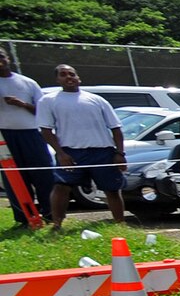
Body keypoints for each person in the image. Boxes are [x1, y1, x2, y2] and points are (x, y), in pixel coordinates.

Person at [36, 64, 127, 230]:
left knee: (112, 189)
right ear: (58, 79)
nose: (68, 77)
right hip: (71, 153)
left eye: (71, 74)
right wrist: (61, 154)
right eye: (63, 75)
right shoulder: (48, 100)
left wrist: (120, 153)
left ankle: (120, 225)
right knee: (61, 187)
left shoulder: (97, 100)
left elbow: (116, 128)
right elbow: (46, 130)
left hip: (102, 151)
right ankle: (57, 225)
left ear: (78, 78)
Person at [0, 50, 53, 227]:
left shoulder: (27, 82)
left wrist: (21, 104)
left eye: (1, 57)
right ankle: (24, 217)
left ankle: (50, 213)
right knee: (14, 177)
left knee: (43, 174)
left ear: (8, 59)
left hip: (30, 133)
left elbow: (43, 110)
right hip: (4, 137)